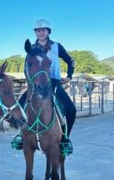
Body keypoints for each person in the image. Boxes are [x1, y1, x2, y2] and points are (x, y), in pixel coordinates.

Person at [11, 19, 76, 155]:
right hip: (36, 84)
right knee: (20, 106)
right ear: (35, 33)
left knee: (71, 109)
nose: (41, 32)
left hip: (53, 83)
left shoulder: (57, 46)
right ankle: (21, 135)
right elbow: (27, 66)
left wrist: (69, 76)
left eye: (44, 30)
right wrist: (30, 82)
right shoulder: (32, 49)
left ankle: (65, 139)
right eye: (38, 30)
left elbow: (70, 60)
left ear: (48, 32)